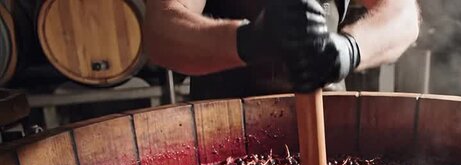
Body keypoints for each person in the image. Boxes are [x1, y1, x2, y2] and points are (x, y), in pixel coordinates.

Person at [144, 0, 420, 100]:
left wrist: (350, 49)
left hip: (331, 129)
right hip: (222, 138)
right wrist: (249, 41)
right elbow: (160, 30)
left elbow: (404, 15)